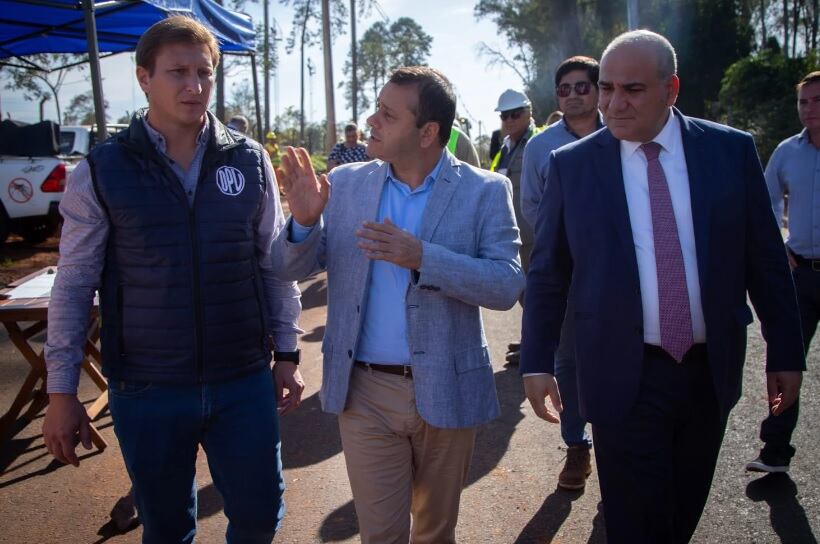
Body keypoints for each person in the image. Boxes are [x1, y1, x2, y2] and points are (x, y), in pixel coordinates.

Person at [520, 30, 804, 543]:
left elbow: (765, 261)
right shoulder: (574, 166)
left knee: (680, 515)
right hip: (620, 373)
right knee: (633, 523)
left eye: (632, 89)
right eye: (606, 88)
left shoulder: (730, 152)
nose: (612, 103)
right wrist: (536, 359)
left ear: (671, 89)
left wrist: (785, 352)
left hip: (707, 371)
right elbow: (548, 274)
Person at [41, 16, 305, 544]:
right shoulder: (102, 170)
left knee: (259, 516)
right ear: (143, 78)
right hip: (147, 386)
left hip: (242, 380)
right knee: (166, 527)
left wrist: (288, 353)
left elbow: (273, 266)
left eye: (204, 72)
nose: (194, 86)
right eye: (177, 72)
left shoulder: (248, 161)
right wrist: (61, 390)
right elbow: (73, 284)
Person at [274, 66, 524, 544]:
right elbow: (289, 268)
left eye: (387, 114)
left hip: (446, 384)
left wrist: (423, 257)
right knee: (381, 534)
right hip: (365, 391)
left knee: (433, 532)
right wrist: (303, 225)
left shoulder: (485, 190)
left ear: (427, 132)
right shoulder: (346, 184)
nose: (371, 120)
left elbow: (506, 284)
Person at [519, 55, 603, 491]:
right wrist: (566, 243)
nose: (572, 95)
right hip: (565, 269)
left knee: (618, 356)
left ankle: (616, 451)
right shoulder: (540, 146)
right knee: (566, 359)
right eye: (564, 89)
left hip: (616, 272)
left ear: (598, 89)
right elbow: (532, 205)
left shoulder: (621, 134)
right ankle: (576, 445)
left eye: (581, 87)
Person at [747, 70, 820, 474]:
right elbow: (765, 201)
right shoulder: (788, 152)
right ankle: (775, 451)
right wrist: (779, 246)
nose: (809, 109)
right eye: (803, 102)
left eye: (817, 100)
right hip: (801, 274)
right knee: (785, 357)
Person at [490, 88, 537, 365]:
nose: (509, 120)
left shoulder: (538, 142)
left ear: (528, 112)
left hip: (535, 235)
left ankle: (544, 349)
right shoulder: (506, 146)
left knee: (538, 295)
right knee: (524, 293)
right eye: (504, 115)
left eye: (515, 114)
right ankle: (532, 341)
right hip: (514, 236)